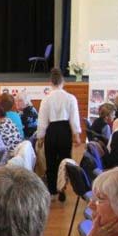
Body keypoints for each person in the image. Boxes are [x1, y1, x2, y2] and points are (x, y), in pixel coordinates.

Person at [36, 68, 81, 197]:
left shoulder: (46, 99)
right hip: (65, 130)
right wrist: (76, 134)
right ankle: (62, 187)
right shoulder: (70, 98)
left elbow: (42, 121)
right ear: (63, 82)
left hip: (51, 130)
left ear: (50, 82)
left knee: (50, 160)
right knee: (64, 159)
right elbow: (74, 118)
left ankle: (52, 189)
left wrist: (40, 137)